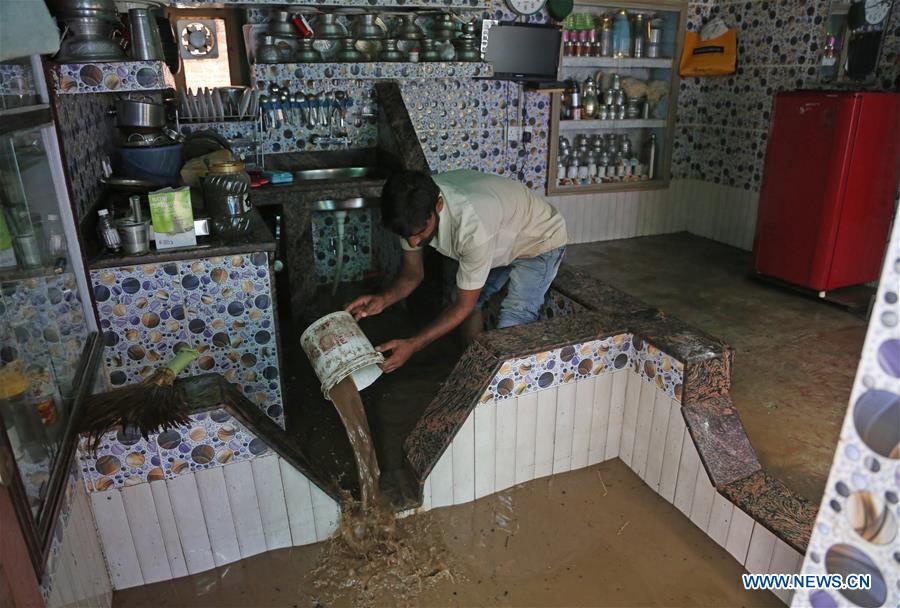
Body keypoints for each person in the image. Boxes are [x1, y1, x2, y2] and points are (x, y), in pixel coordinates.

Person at [346, 169, 567, 373]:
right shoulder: (409, 212)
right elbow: (413, 274)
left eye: (420, 232)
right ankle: (473, 371)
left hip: (540, 238)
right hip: (503, 233)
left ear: (439, 206)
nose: (413, 243)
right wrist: (382, 299)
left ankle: (497, 391)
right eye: (407, 236)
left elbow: (463, 305)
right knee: (466, 300)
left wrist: (413, 344)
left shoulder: (471, 227)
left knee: (513, 322)